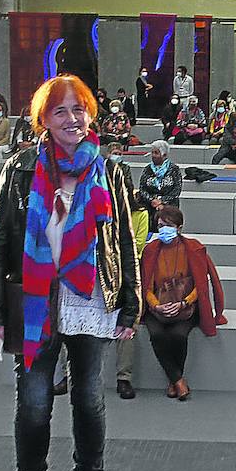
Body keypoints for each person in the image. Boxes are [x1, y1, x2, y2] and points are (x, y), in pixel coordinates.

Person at [0, 74, 141, 471]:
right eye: (60, 112)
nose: (72, 119)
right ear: (43, 121)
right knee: (33, 403)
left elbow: (125, 241)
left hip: (91, 298)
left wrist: (128, 305)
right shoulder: (20, 168)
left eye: (79, 110)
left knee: (89, 399)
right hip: (35, 298)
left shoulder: (110, 170)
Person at [140, 206, 227, 400]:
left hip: (186, 307)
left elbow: (201, 285)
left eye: (168, 226)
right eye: (160, 226)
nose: (163, 230)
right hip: (157, 307)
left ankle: (173, 381)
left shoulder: (194, 248)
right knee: (157, 335)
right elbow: (145, 285)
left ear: (179, 227)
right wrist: (155, 305)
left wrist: (184, 303)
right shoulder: (150, 250)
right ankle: (178, 381)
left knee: (179, 335)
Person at [106, 142, 150, 400]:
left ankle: (124, 378)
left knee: (127, 326)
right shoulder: (96, 209)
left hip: (126, 274)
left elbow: (136, 248)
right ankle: (68, 374)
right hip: (96, 275)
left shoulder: (139, 213)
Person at [138, 140, 182, 212]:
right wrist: (152, 200)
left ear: (164, 155)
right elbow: (142, 188)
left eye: (156, 153)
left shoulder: (174, 169)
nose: (153, 155)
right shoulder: (147, 169)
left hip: (170, 205)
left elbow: (177, 189)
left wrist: (162, 201)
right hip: (150, 204)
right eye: (152, 152)